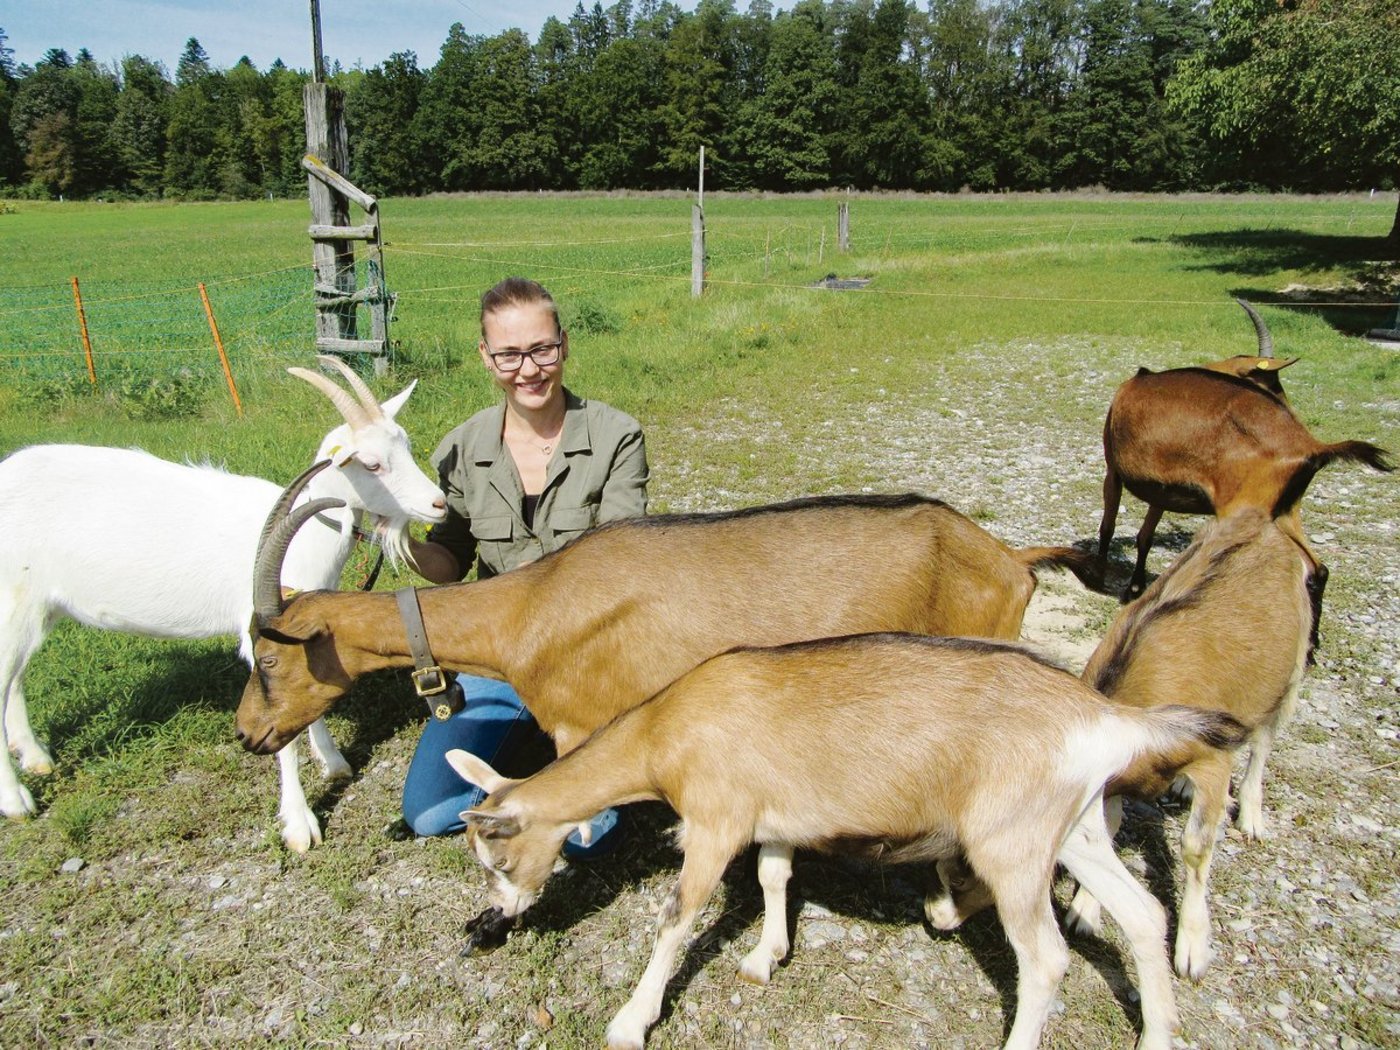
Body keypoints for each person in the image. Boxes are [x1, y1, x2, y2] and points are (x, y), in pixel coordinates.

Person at [402, 276, 648, 851]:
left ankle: (575, 750)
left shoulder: (617, 437)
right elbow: (450, 565)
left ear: (564, 344)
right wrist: (395, 539)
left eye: (542, 350)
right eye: (510, 354)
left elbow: (619, 560)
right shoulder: (461, 449)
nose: (529, 369)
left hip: (590, 655)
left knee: (593, 841)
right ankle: (547, 752)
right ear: (486, 358)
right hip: (501, 660)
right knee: (430, 813)